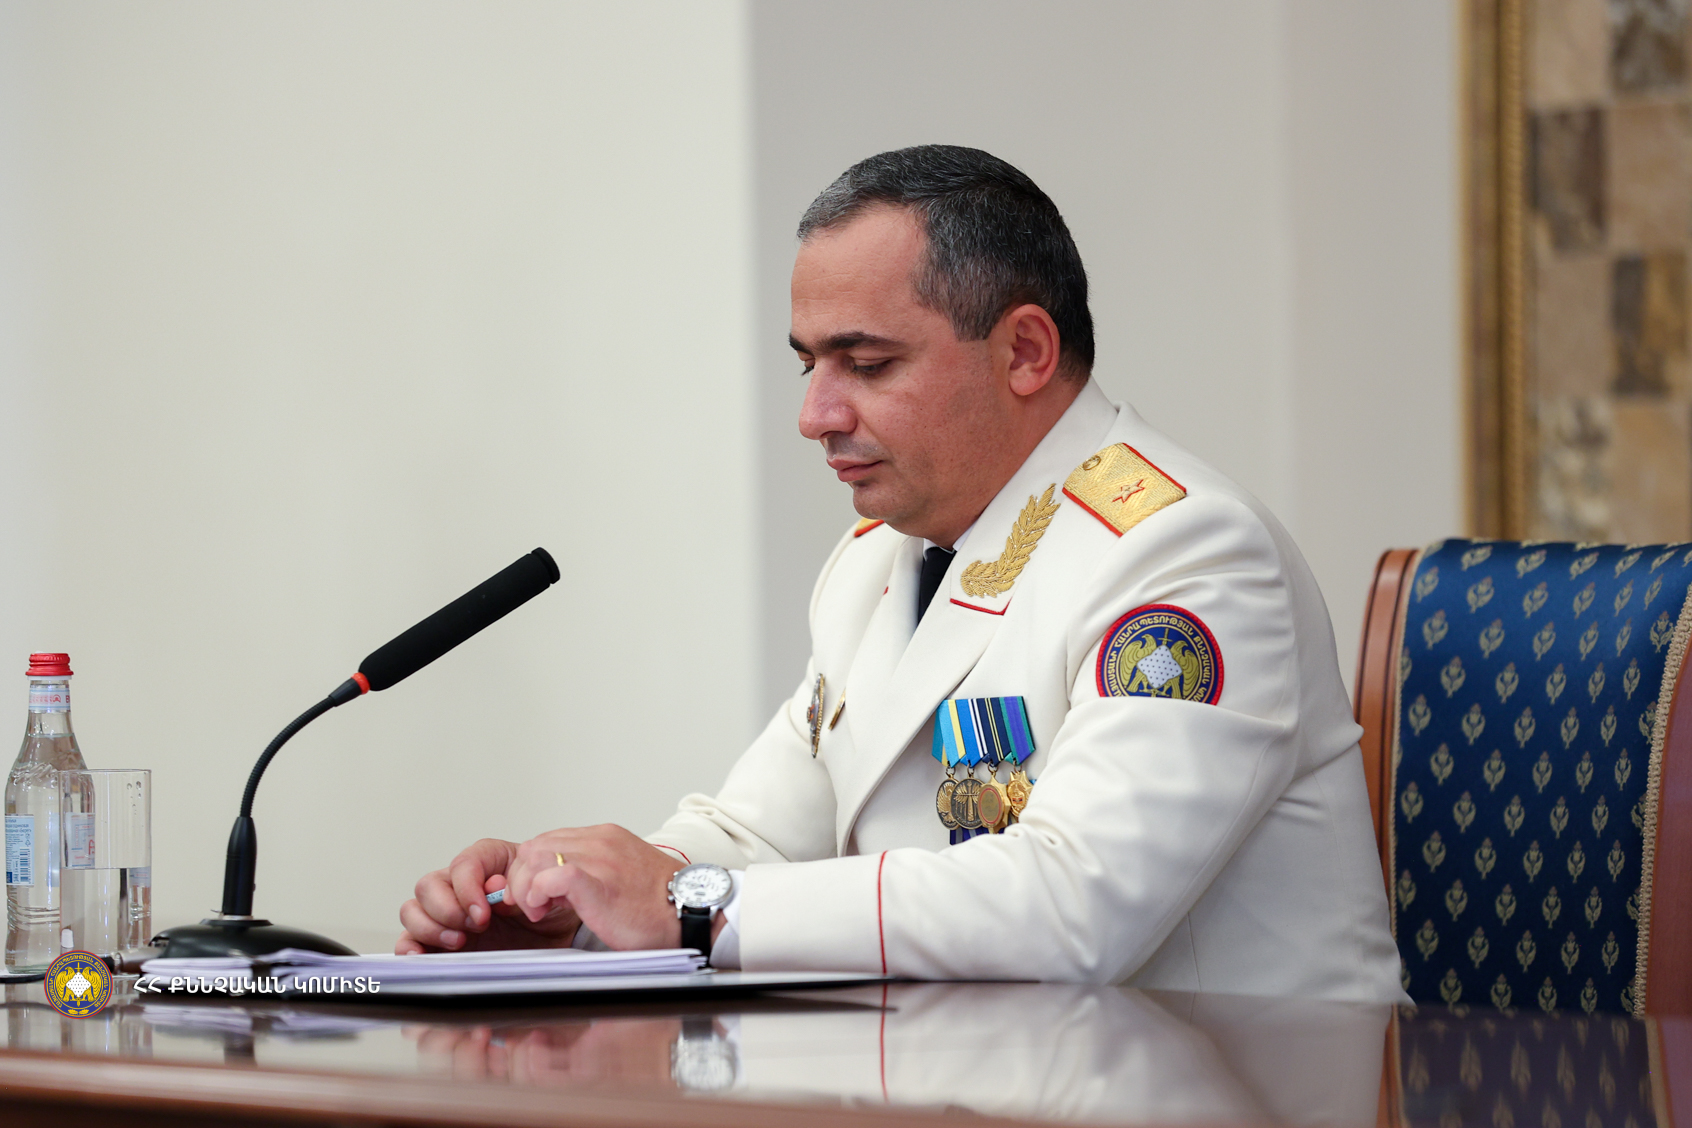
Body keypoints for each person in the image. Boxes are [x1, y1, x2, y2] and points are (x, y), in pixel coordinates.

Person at [397, 145, 1405, 1002]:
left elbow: (1076, 907)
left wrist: (684, 908)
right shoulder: (879, 561)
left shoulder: (1186, 555)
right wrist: (570, 902)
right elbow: (760, 837)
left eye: (868, 364)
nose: (816, 416)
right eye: (810, 364)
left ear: (1024, 351)